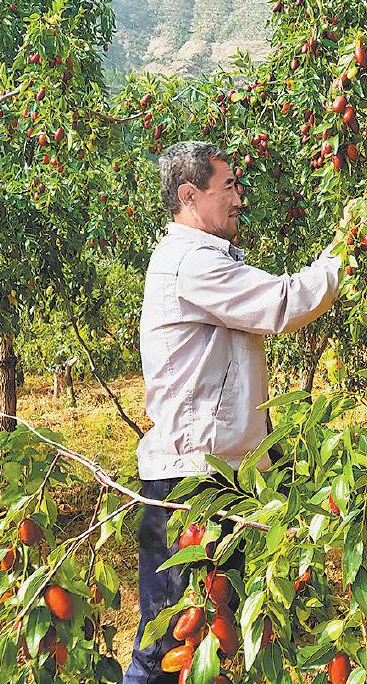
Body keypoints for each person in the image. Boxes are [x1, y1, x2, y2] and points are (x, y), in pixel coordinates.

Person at [123, 140, 348, 683]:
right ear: (189, 195)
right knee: (168, 639)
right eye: (228, 186)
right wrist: (343, 260)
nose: (239, 198)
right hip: (192, 483)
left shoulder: (205, 260)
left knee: (214, 635)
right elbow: (281, 302)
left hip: (219, 476)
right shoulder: (190, 262)